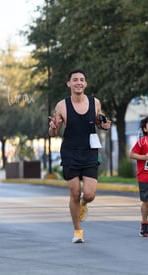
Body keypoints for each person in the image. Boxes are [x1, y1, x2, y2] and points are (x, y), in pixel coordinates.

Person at [48, 68, 111, 243]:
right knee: (75, 193)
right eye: (75, 79)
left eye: (82, 79)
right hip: (70, 153)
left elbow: (99, 121)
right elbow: (53, 132)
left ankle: (84, 205)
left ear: (86, 83)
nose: (78, 82)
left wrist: (104, 125)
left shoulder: (95, 102)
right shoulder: (62, 106)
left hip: (90, 151)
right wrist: (53, 127)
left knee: (89, 195)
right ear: (69, 83)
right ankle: (78, 231)